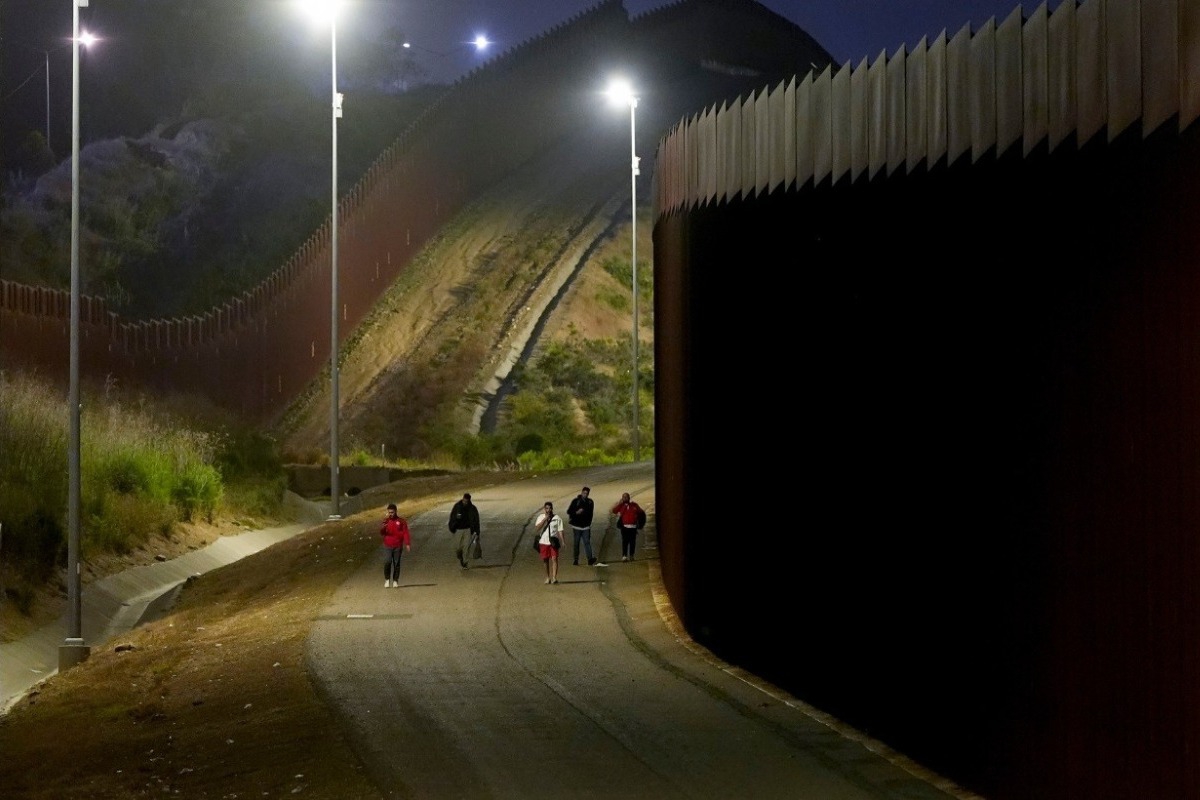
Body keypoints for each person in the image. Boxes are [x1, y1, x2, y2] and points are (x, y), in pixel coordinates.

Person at [567, 485, 604, 566]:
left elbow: (591, 513)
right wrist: (576, 512)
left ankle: (590, 559)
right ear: (582, 492)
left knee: (587, 542)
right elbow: (569, 511)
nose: (585, 495)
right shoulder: (576, 501)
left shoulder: (590, 502)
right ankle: (576, 559)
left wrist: (589, 522)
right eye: (584, 493)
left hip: (586, 526)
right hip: (576, 526)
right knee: (576, 543)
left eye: (587, 493)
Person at [379, 503, 411, 588]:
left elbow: (405, 533)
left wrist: (407, 543)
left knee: (396, 563)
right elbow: (381, 533)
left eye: (392, 512)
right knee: (387, 562)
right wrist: (383, 527)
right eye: (389, 512)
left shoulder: (401, 521)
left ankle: (395, 580)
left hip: (398, 546)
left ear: (396, 511)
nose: (391, 514)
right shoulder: (386, 521)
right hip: (388, 545)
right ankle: (387, 579)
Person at [447, 492, 481, 569]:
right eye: (464, 500)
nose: (465, 502)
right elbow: (452, 517)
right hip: (458, 530)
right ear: (462, 499)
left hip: (468, 530)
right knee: (457, 547)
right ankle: (460, 556)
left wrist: (477, 531)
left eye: (466, 501)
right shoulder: (457, 506)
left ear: (469, 500)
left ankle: (465, 562)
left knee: (466, 546)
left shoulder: (472, 509)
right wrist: (452, 527)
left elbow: (476, 520)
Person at [534, 501, 564, 584]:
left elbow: (560, 530)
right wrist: (544, 519)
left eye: (550, 508)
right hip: (543, 542)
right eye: (547, 508)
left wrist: (563, 541)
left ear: (552, 509)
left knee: (554, 558)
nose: (549, 510)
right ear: (544, 509)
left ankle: (554, 577)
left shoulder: (557, 518)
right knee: (545, 560)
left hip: (553, 541)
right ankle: (548, 577)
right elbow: (537, 528)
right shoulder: (541, 517)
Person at [611, 492, 643, 562]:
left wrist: (638, 520)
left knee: (632, 542)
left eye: (626, 497)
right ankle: (624, 555)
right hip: (625, 527)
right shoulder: (621, 506)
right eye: (623, 497)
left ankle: (631, 555)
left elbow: (640, 512)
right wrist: (619, 503)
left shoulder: (634, 505)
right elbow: (614, 511)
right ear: (622, 498)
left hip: (633, 527)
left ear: (629, 498)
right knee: (625, 542)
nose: (625, 498)